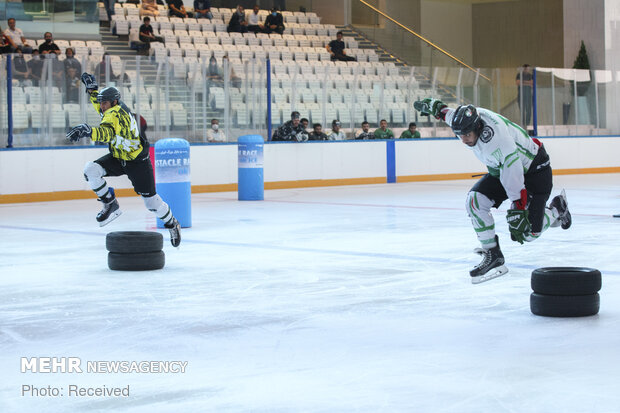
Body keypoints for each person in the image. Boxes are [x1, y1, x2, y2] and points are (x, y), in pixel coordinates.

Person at [413, 98, 572, 284]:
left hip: (535, 170)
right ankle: (493, 254)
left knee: (528, 233)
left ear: (478, 127)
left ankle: (556, 210)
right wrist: (436, 108)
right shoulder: (466, 122)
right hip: (503, 168)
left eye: (466, 135)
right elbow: (448, 114)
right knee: (475, 201)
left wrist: (518, 207)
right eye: (459, 135)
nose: (463, 139)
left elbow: (513, 176)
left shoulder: (497, 141)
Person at [66, 73, 181, 247]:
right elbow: (100, 105)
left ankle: (172, 223)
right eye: (102, 102)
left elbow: (106, 134)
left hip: (137, 162)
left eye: (105, 103)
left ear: (113, 102)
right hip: (119, 157)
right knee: (91, 170)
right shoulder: (112, 107)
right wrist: (92, 91)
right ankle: (110, 203)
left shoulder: (115, 115)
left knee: (151, 202)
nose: (102, 107)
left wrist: (89, 131)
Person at [516, 64, 533, 128]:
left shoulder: (530, 75)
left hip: (528, 96)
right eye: (526, 69)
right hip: (521, 96)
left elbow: (532, 83)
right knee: (522, 111)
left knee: (528, 110)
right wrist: (528, 83)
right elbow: (518, 82)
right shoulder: (519, 75)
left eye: (528, 69)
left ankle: (527, 124)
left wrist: (522, 82)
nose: (527, 70)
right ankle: (523, 124)